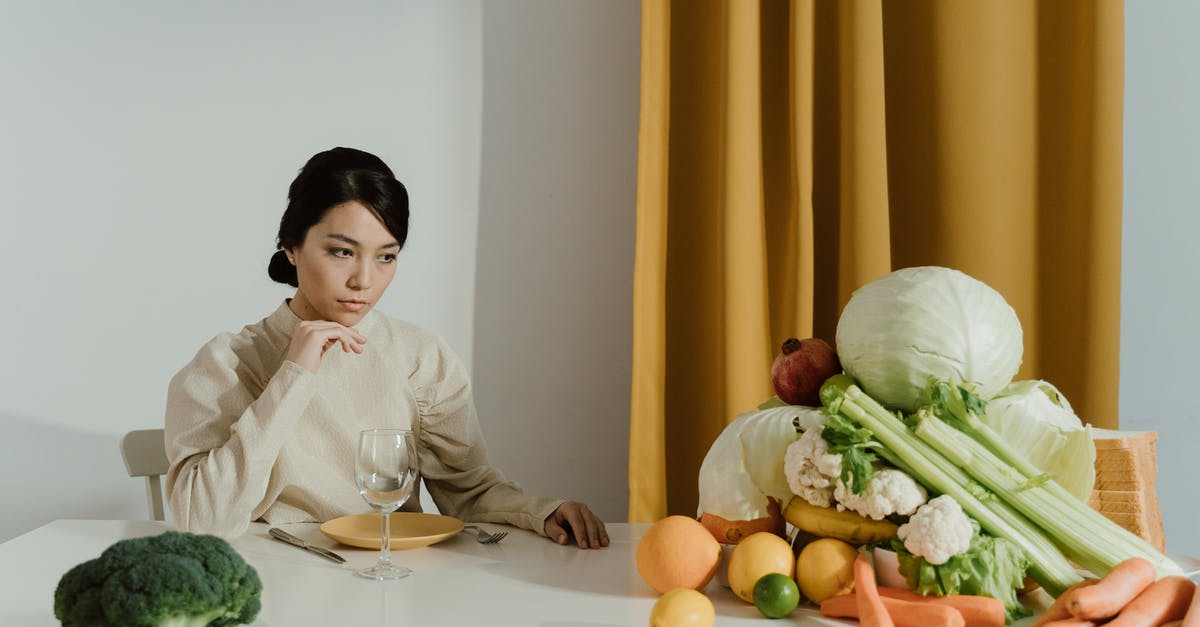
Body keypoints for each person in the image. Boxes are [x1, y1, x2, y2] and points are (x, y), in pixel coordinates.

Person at [164, 147, 609, 549]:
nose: (364, 280)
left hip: (396, 581)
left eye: (386, 256)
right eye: (342, 252)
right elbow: (200, 522)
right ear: (292, 247)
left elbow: (467, 491)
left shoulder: (419, 356)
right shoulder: (225, 364)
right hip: (281, 583)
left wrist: (542, 511)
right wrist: (293, 376)